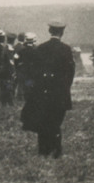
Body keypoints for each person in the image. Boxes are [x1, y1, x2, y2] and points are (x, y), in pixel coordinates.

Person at [20, 20, 76, 158]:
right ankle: (56, 150)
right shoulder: (66, 49)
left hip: (43, 92)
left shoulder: (41, 48)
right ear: (62, 32)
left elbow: (34, 71)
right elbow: (70, 72)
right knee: (56, 121)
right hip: (60, 92)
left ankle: (43, 150)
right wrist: (65, 87)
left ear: (50, 32)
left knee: (43, 120)